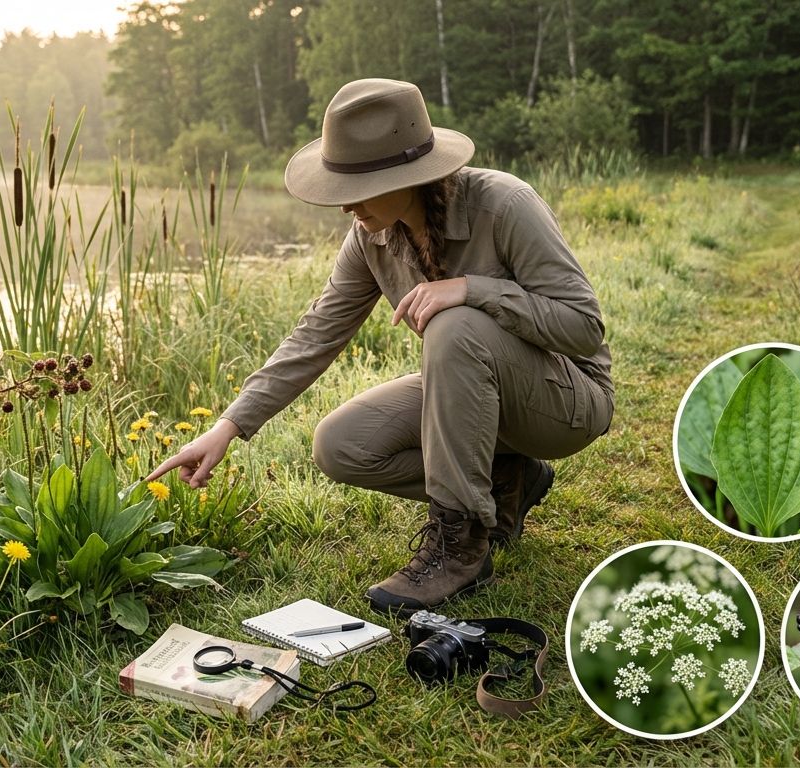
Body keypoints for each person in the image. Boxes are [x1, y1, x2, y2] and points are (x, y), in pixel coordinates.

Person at [146, 78, 613, 614]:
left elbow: (583, 327)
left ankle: (461, 546)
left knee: (454, 323)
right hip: (475, 399)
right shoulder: (371, 235)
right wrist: (227, 427)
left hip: (566, 402)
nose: (345, 209)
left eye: (356, 191)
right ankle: (508, 481)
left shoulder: (504, 204)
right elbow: (317, 332)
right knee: (341, 444)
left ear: (410, 176)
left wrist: (473, 290)